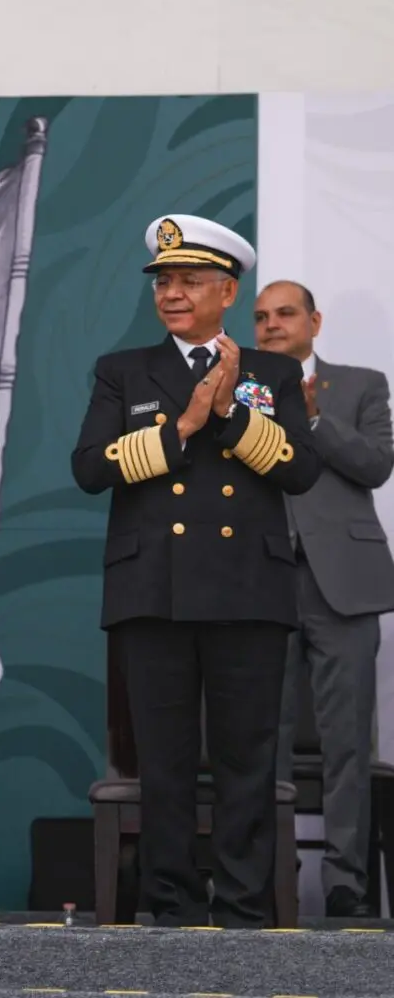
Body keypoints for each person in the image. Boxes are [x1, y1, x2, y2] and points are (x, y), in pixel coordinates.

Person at [72, 214, 322, 927]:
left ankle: (244, 913)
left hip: (248, 590)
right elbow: (90, 468)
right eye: (165, 282)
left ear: (227, 291)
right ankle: (172, 910)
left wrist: (233, 420)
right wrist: (180, 428)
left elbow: (301, 471)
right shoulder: (122, 371)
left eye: (190, 281)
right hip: (155, 591)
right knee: (166, 764)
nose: (173, 294)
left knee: (247, 764)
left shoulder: (272, 371)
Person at [253, 279, 394, 919]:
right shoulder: (238, 385)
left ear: (315, 320)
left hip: (344, 584)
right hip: (264, 578)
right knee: (263, 742)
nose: (272, 325)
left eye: (285, 314)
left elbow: (374, 464)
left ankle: (346, 883)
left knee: (346, 745)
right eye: (260, 317)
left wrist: (309, 420)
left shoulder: (363, 385)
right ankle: (263, 878)